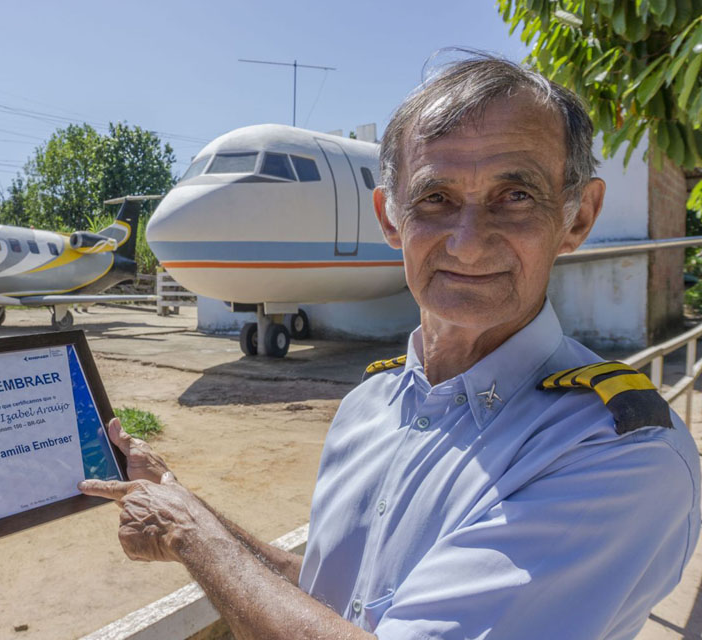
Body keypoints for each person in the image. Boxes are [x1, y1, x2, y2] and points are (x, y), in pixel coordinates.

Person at [80, 55, 701, 639]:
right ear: (389, 217)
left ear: (578, 218)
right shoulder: (369, 406)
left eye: (516, 196)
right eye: (435, 198)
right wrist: (184, 502)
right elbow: (337, 602)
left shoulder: (620, 455)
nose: (467, 242)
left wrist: (190, 534)